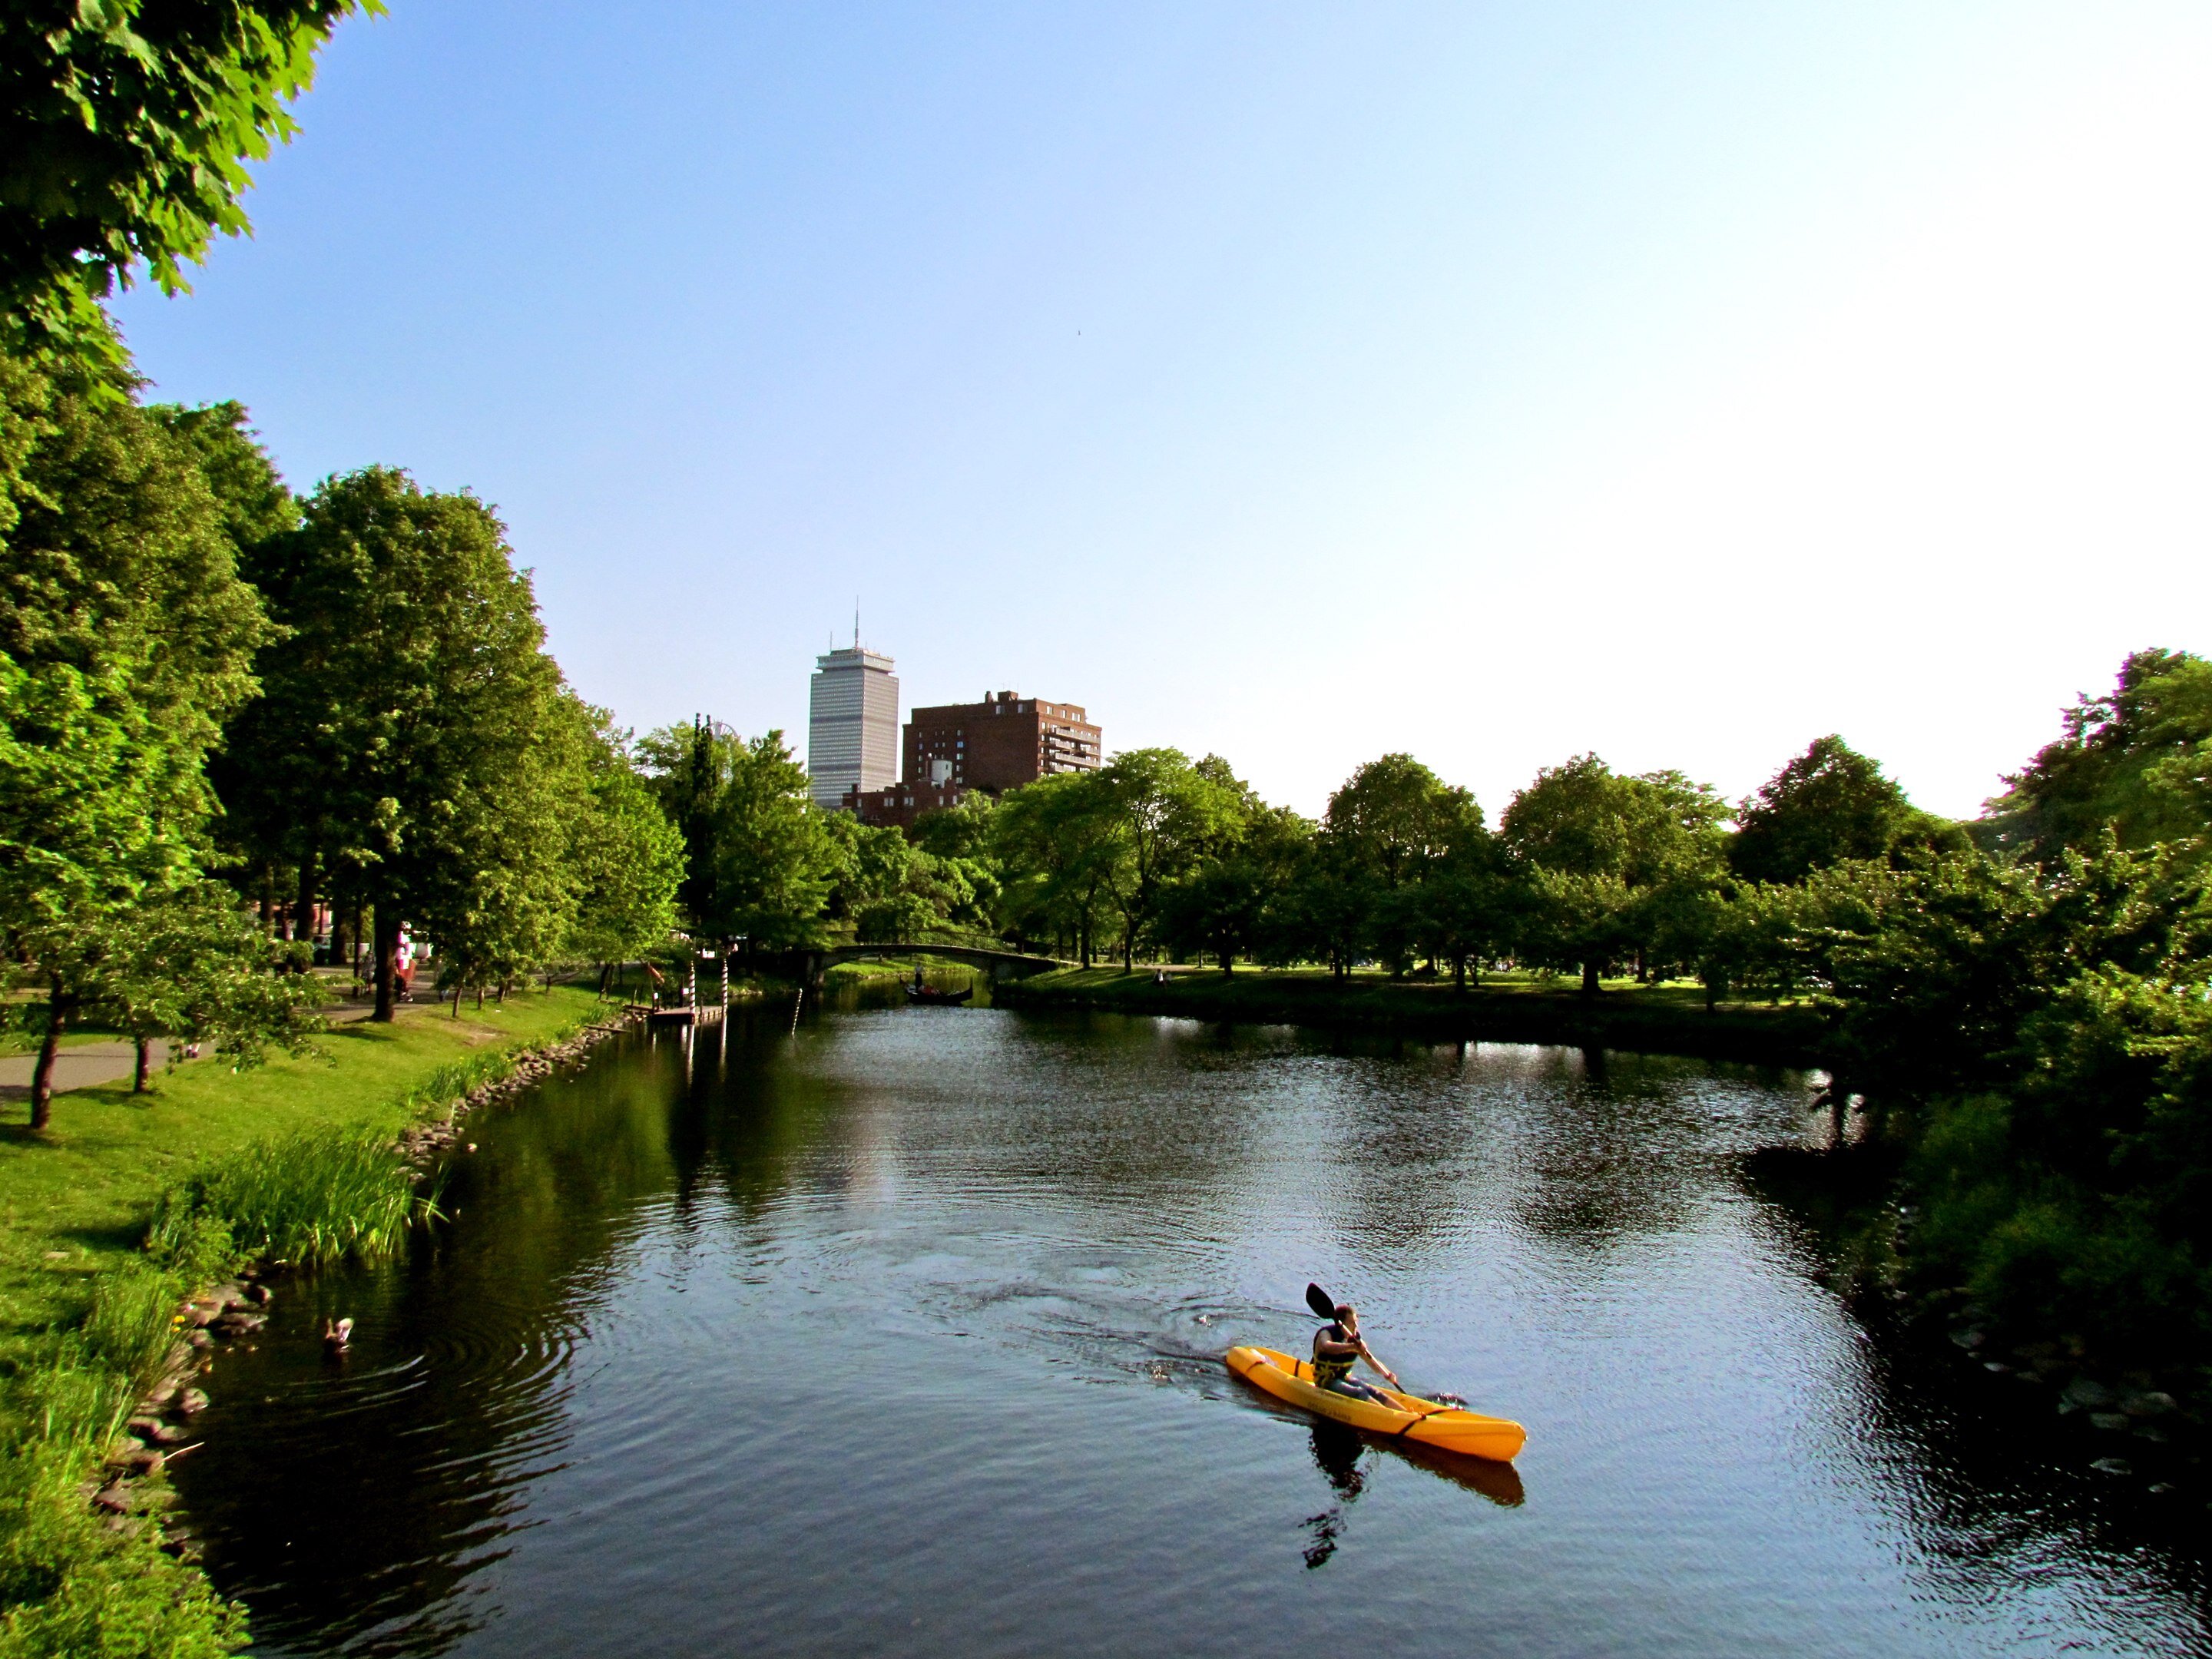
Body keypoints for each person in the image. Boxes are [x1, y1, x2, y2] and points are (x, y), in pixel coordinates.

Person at [1313, 1302, 1400, 1403]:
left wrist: (1388, 1374)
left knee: (1375, 1392)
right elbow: (1326, 1347)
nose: (1356, 1326)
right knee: (1360, 1393)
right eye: (1352, 1322)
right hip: (1326, 1382)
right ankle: (1386, 1416)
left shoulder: (1356, 1339)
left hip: (1344, 1378)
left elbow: (1372, 1362)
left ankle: (1405, 1415)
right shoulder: (1326, 1333)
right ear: (1342, 1324)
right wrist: (1352, 1347)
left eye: (1356, 1322)